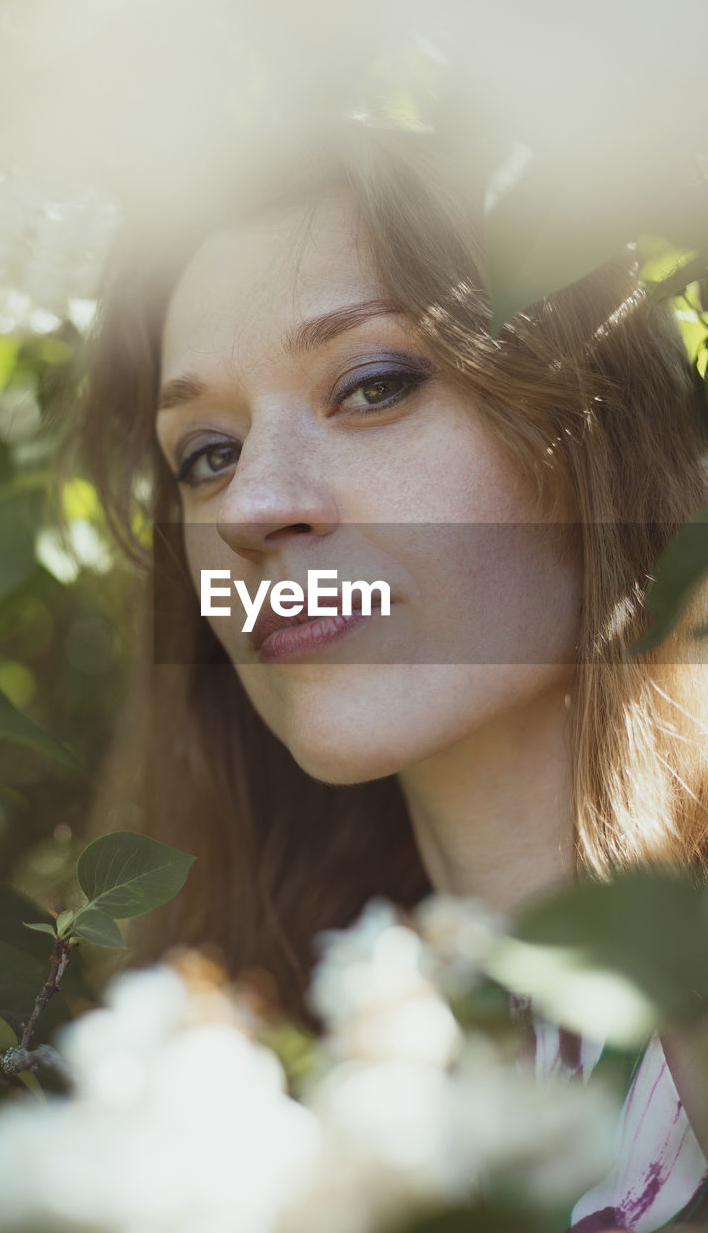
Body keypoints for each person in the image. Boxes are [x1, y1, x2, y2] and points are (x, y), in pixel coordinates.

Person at [67, 119, 708, 1230]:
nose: (253, 510)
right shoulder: (242, 1104)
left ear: (600, 429)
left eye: (370, 384)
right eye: (205, 454)